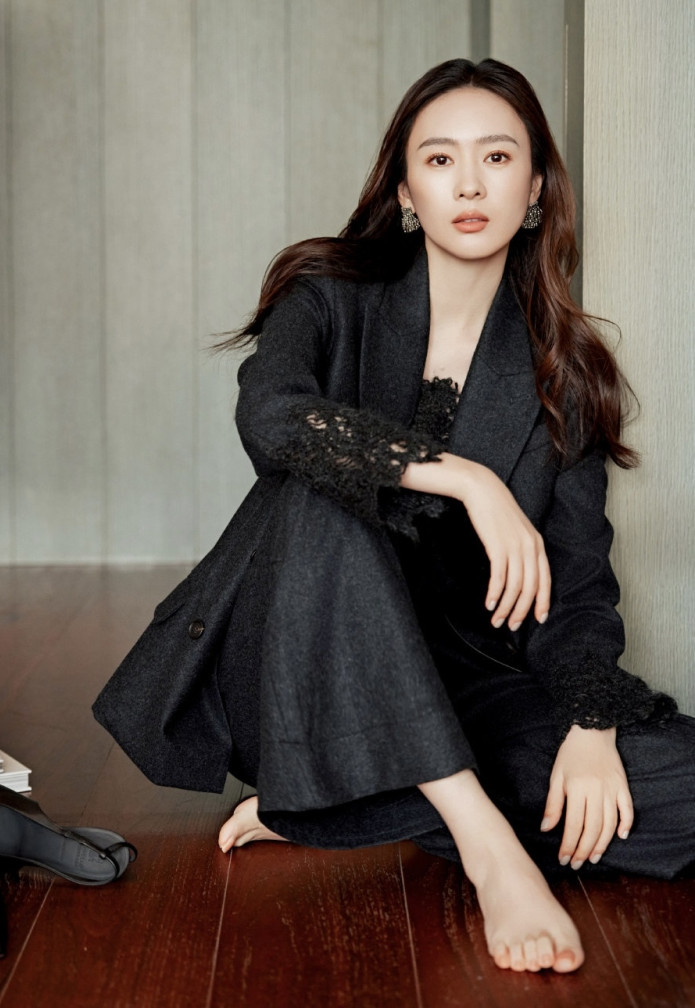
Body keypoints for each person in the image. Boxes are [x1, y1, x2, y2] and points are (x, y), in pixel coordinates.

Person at [93, 58, 694, 975]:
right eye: (439, 159)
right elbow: (272, 417)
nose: (469, 184)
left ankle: (341, 797)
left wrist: (590, 725)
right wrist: (467, 479)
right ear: (406, 190)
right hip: (298, 658)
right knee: (325, 490)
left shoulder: (563, 374)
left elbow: (573, 586)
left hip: (457, 677)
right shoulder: (326, 293)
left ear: (536, 188)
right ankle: (484, 846)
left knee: (672, 783)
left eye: (497, 157)